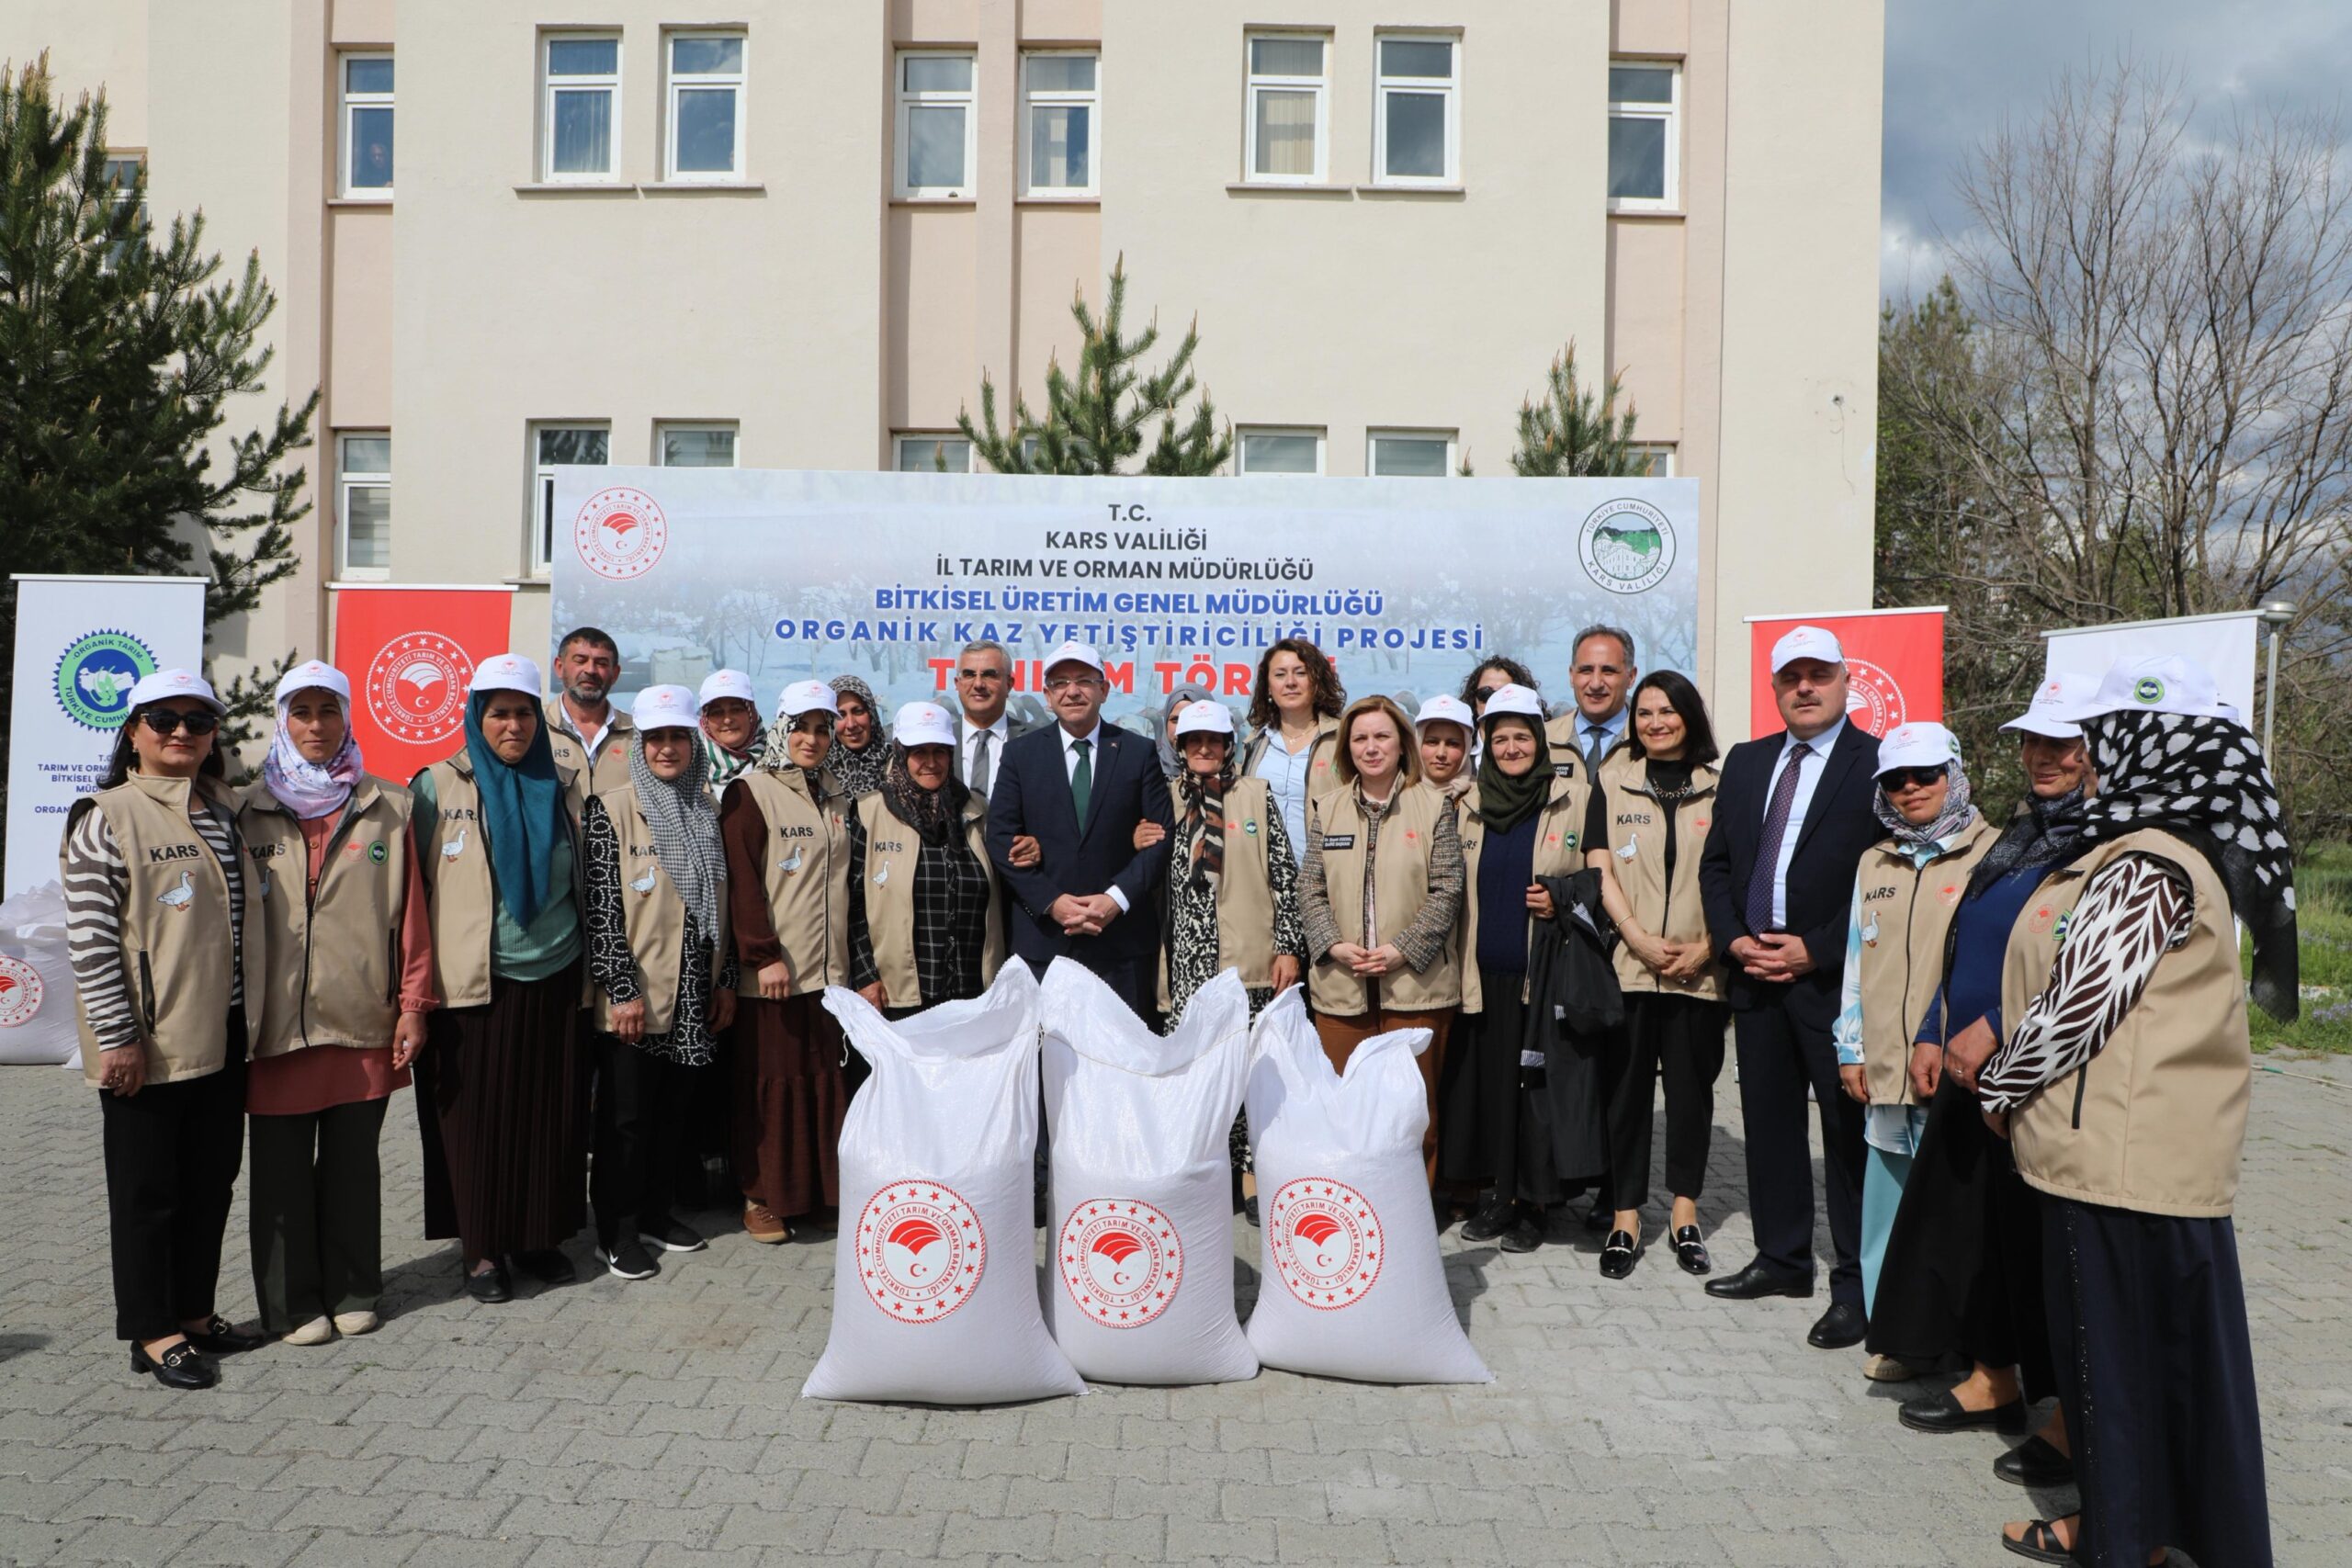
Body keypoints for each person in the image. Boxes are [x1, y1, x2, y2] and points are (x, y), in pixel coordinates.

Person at [1958, 655, 2291, 1568]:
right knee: (2142, 1371)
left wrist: (1997, 1087)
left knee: (2119, 1373)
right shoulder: (2143, 845)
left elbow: (2077, 1007)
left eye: (2105, 739)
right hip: (2125, 1156)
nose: (2088, 757)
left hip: (2122, 1163)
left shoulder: (2146, 862)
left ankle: (2123, 1541)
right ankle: (2130, 1530)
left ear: (2152, 746)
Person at [1866, 700, 2086, 1479]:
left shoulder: (2103, 841)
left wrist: (1994, 1022)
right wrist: (1934, 1025)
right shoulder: (2028, 833)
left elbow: (2080, 965)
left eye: (2062, 743)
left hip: (2040, 1068)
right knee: (1985, 1233)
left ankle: (2066, 1415)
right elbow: (1969, 943)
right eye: (2032, 742)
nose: (2042, 755)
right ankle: (1994, 1377)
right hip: (1967, 1063)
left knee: (2041, 1248)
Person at [64, 669, 270, 1389]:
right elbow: (90, 940)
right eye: (163, 719)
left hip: (222, 1030)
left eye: (197, 719)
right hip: (148, 1039)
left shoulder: (221, 807)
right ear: (132, 731)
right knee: (148, 1192)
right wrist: (117, 1036)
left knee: (210, 1182)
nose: (181, 731)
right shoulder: (108, 814)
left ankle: (192, 1309)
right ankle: (151, 1330)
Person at [1695, 625, 1883, 1349]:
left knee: (1846, 1139)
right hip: (1755, 976)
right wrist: (1735, 937)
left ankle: (1857, 1285)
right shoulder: (1746, 762)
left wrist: (1814, 948)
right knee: (1768, 1128)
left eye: (1819, 674)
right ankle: (1781, 1258)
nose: (1805, 687)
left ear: (1844, 680)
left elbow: (1885, 878)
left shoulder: (1876, 764)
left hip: (1832, 982)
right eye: (1791, 677)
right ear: (1774, 688)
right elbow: (1717, 866)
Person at [238, 660, 433, 1346]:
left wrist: (412, 1003)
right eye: (302, 712)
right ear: (283, 720)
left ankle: (354, 1286)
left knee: (354, 1169)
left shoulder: (389, 805)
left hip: (362, 1020)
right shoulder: (246, 809)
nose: (316, 725)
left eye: (328, 711)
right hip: (276, 1029)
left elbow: (412, 918)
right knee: (282, 1175)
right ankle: (292, 1304)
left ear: (348, 717)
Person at [410, 654, 590, 1304]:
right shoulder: (436, 785)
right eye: (498, 713)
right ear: (476, 717)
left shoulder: (566, 780)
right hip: (474, 987)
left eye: (522, 712)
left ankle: (539, 1234)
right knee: (477, 1121)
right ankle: (483, 1248)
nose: (512, 725)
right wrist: (415, 996)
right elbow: (415, 895)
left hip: (558, 973)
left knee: (549, 1114)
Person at [1827, 721, 1996, 1356]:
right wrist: (1852, 1046)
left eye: (1925, 774)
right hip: (1886, 1072)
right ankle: (1892, 1337)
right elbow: (1854, 958)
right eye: (1895, 779)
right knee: (1885, 1215)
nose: (1910, 788)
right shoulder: (1876, 859)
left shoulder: (1992, 853)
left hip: (1952, 1072)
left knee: (1951, 1213)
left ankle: (1958, 1343)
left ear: (1954, 773)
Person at [582, 685, 739, 1281]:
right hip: (639, 992)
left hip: (693, 989)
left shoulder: (706, 809)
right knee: (624, 1119)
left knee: (672, 1112)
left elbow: (720, 904)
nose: (668, 748)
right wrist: (619, 987)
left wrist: (725, 978)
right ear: (640, 746)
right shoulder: (611, 807)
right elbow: (600, 908)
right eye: (657, 739)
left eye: (678, 737)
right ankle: (615, 1233)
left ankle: (653, 1212)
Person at [1585, 671, 1726, 1280]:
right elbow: (1599, 870)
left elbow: (1736, 876)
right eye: (1644, 713)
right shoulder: (1612, 785)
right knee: (1626, 1094)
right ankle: (1625, 1217)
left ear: (1690, 716)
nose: (1656, 722)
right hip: (1630, 966)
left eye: (1668, 711)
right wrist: (1638, 939)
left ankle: (1685, 1213)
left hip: (1700, 970)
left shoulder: (1723, 790)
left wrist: (1709, 948)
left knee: (1692, 1094)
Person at [1441, 684, 1591, 1250]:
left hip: (1542, 972)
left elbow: (1599, 880)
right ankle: (1501, 1196)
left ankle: (1537, 1206)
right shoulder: (1468, 802)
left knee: (1537, 1095)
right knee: (1497, 1092)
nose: (1510, 748)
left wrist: (1561, 896)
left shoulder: (1574, 797)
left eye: (1521, 736)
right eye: (1499, 737)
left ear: (1540, 740)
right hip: (1481, 976)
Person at [1300, 694, 1465, 1166]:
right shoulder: (1327, 808)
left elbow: (1447, 889)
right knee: (1346, 1108)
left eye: (1382, 737)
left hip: (1416, 987)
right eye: (1360, 738)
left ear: (1401, 744)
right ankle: (1353, 1210)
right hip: (1342, 986)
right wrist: (1333, 944)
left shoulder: (1433, 806)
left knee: (1414, 1112)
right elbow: (1309, 887)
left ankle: (1413, 1216)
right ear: (1347, 747)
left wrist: (1401, 950)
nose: (1371, 748)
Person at [721, 681, 854, 1244]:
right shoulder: (750, 791)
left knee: (820, 1083)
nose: (813, 738)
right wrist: (762, 955)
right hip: (775, 973)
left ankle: (816, 1194)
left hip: (829, 974)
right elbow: (743, 881)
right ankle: (762, 1196)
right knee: (771, 1085)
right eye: (801, 726)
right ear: (780, 727)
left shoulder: (837, 794)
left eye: (823, 729)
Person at [983, 641, 1174, 1018]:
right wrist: (1052, 903)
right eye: (1060, 683)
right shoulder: (1022, 754)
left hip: (1121, 945)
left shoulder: (1138, 752)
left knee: (1123, 1066)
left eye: (1084, 681)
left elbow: (1159, 838)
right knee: (1048, 1068)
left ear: (1104, 689)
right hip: (1045, 944)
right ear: (1047, 696)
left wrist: (1115, 899)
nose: (1072, 691)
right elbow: (1000, 837)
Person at [848, 702, 1006, 1015]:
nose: (931, 763)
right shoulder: (870, 811)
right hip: (898, 995)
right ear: (902, 754)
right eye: (920, 752)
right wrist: (866, 977)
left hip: (972, 994)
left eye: (941, 751)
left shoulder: (975, 811)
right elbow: (852, 905)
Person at [1240, 638, 1345, 868]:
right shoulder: (1254, 744)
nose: (1290, 683)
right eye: (1279, 675)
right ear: (1268, 686)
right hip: (1263, 881)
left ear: (1316, 681)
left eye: (1300, 673)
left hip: (1324, 877)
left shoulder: (1342, 739)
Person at [543, 626, 634, 795]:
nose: (590, 670)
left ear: (615, 674)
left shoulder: (638, 735)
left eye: (601, 663)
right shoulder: (535, 728)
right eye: (580, 660)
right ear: (559, 667)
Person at [949, 638, 1037, 795]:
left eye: (989, 675)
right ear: (957, 683)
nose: (978, 684)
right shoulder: (940, 740)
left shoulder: (1037, 742)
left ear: (1009, 684)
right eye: (969, 674)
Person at [1546, 626, 1637, 773]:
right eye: (1586, 671)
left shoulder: (1649, 742)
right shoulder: (1543, 742)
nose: (1596, 684)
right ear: (1571, 675)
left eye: (1608, 671)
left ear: (1631, 677)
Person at [823, 674, 889, 798]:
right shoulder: (821, 772)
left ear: (871, 714)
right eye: (840, 715)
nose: (851, 724)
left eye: (858, 711)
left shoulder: (896, 765)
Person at [697, 669, 763, 789]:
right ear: (705, 721)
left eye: (736, 710)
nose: (727, 720)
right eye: (717, 713)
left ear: (751, 714)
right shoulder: (692, 770)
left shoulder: (777, 763)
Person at [1414, 694, 1476, 804]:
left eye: (1452, 744)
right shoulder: (1397, 795)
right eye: (1432, 742)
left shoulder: (1483, 797)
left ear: (1466, 748)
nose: (1441, 753)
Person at [1154, 681, 1218, 780]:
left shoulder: (1229, 778)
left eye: (1190, 719)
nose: (1181, 728)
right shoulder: (1148, 771)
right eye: (1175, 720)